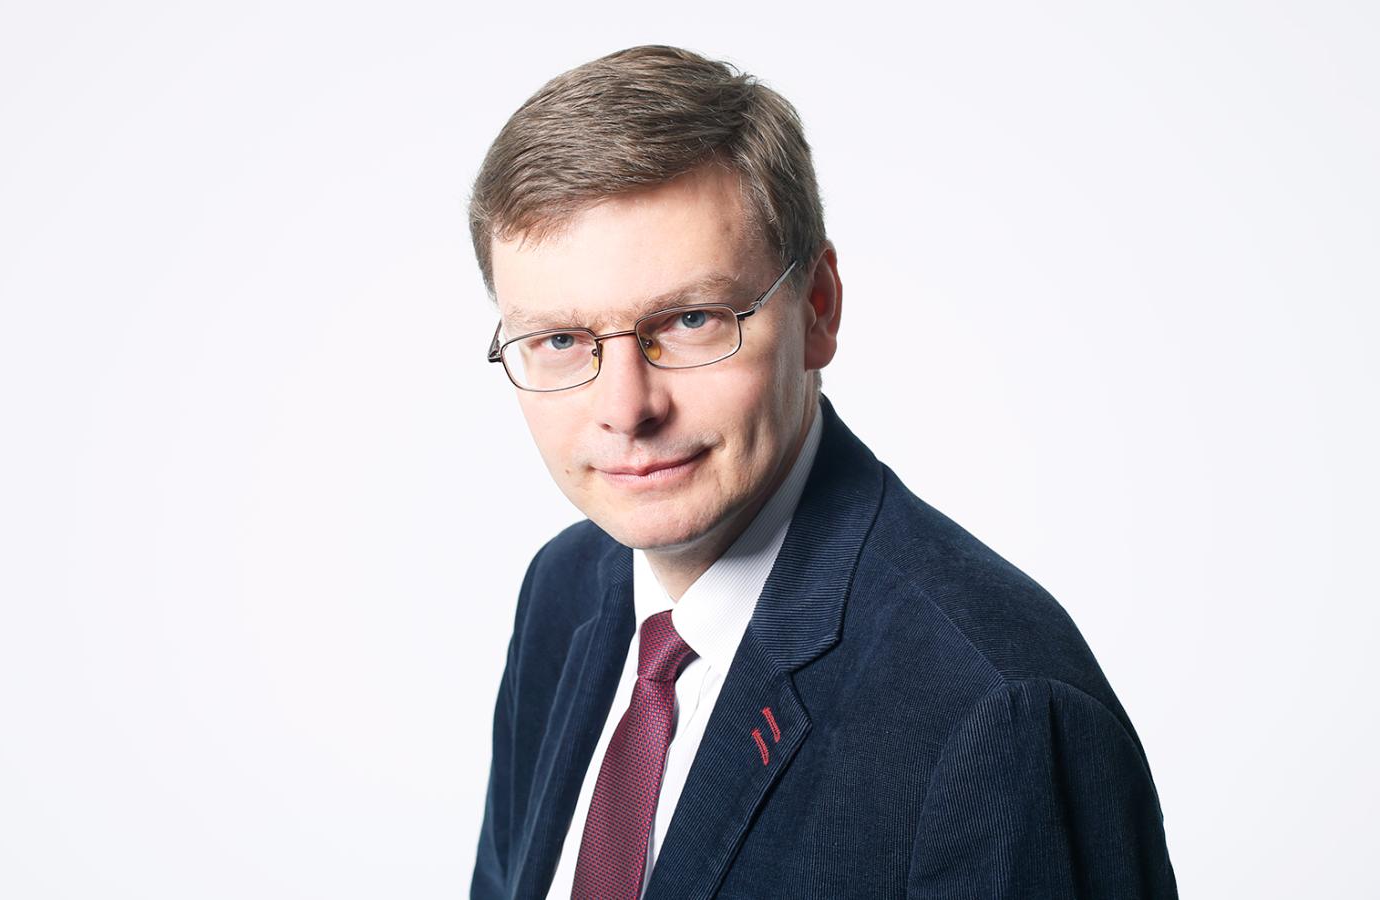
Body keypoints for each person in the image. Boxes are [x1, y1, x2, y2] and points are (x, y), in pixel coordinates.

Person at [467, 45, 1177, 900]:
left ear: (819, 308)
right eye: (559, 340)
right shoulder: (565, 591)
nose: (625, 408)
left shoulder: (997, 711)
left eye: (690, 320)